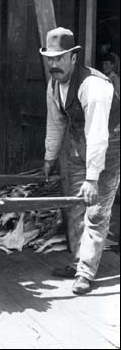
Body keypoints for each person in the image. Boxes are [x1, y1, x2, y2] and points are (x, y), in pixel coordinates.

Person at [40, 27, 120, 295]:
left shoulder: (94, 87)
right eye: (50, 59)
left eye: (59, 58)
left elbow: (98, 135)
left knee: (96, 212)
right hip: (78, 145)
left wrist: (92, 178)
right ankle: (78, 263)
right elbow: (56, 122)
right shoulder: (53, 85)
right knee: (75, 207)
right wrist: (49, 158)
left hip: (108, 145)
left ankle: (86, 272)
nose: (54, 64)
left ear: (74, 58)